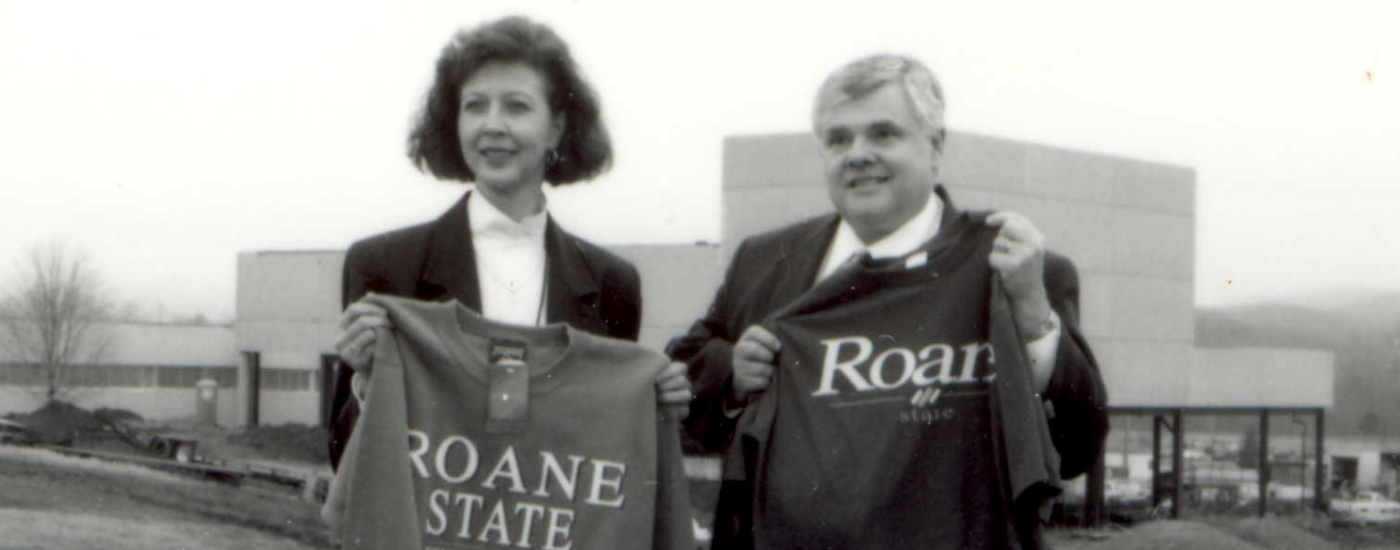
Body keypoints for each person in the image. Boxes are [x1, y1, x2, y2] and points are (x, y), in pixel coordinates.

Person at [667, 54, 1108, 548]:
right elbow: (682, 381)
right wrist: (732, 374)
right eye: (838, 139)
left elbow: (1076, 446)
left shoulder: (1018, 269)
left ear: (935, 146)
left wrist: (1032, 318)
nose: (857, 154)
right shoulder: (766, 260)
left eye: (883, 134)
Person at [327, 16, 690, 469]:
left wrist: (657, 408)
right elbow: (342, 457)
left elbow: (611, 452)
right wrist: (365, 381)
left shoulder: (612, 282)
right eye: (475, 105)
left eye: (516, 106)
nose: (492, 125)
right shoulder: (384, 266)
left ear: (557, 127)